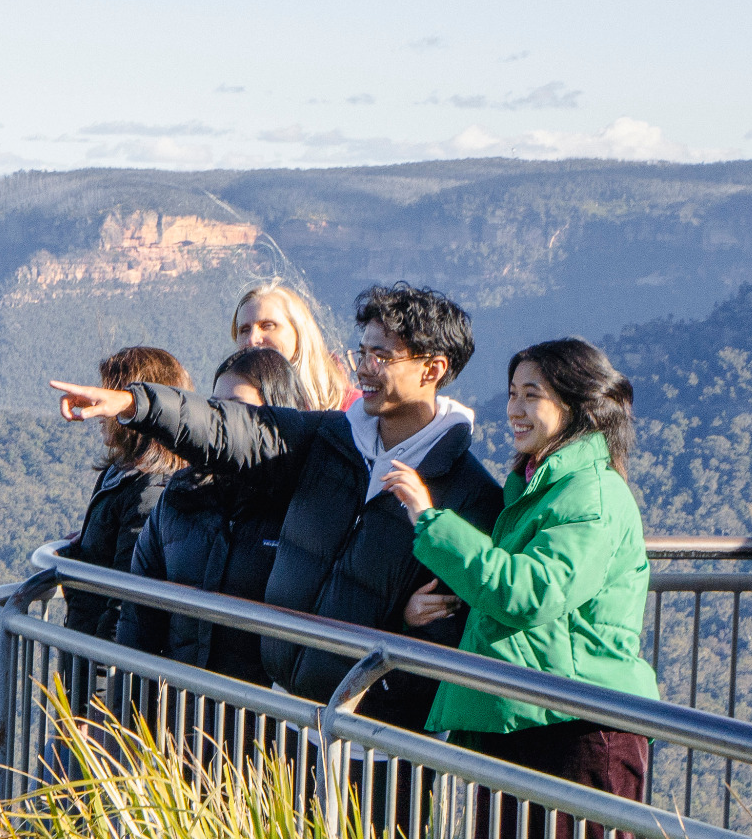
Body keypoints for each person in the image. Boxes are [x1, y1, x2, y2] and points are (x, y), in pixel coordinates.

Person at [50, 283, 503, 731]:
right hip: (288, 719)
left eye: (380, 357)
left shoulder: (467, 495)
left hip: (382, 741)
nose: (364, 369)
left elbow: (448, 628)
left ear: (432, 369)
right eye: (360, 353)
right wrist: (137, 404)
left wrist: (384, 671)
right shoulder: (328, 441)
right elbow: (230, 428)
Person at [378, 337, 658, 839]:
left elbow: (529, 593)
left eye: (533, 395)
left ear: (579, 405)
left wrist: (429, 520)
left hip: (575, 727)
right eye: (512, 394)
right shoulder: (539, 487)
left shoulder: (589, 493)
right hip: (523, 718)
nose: (516, 409)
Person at [110, 347, 297, 684]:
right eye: (216, 409)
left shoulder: (300, 510)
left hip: (266, 727)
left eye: (239, 410)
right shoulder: (180, 498)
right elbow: (139, 621)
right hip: (178, 719)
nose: (223, 422)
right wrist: (126, 714)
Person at [26, 344, 188, 643]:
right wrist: (77, 549)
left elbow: (126, 598)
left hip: (103, 668)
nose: (98, 413)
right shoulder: (119, 474)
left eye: (107, 400)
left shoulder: (151, 490)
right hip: (86, 651)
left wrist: (102, 678)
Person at [229, 281, 354, 413]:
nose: (252, 339)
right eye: (244, 330)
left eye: (267, 326)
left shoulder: (353, 411)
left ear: (299, 332)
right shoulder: (231, 408)